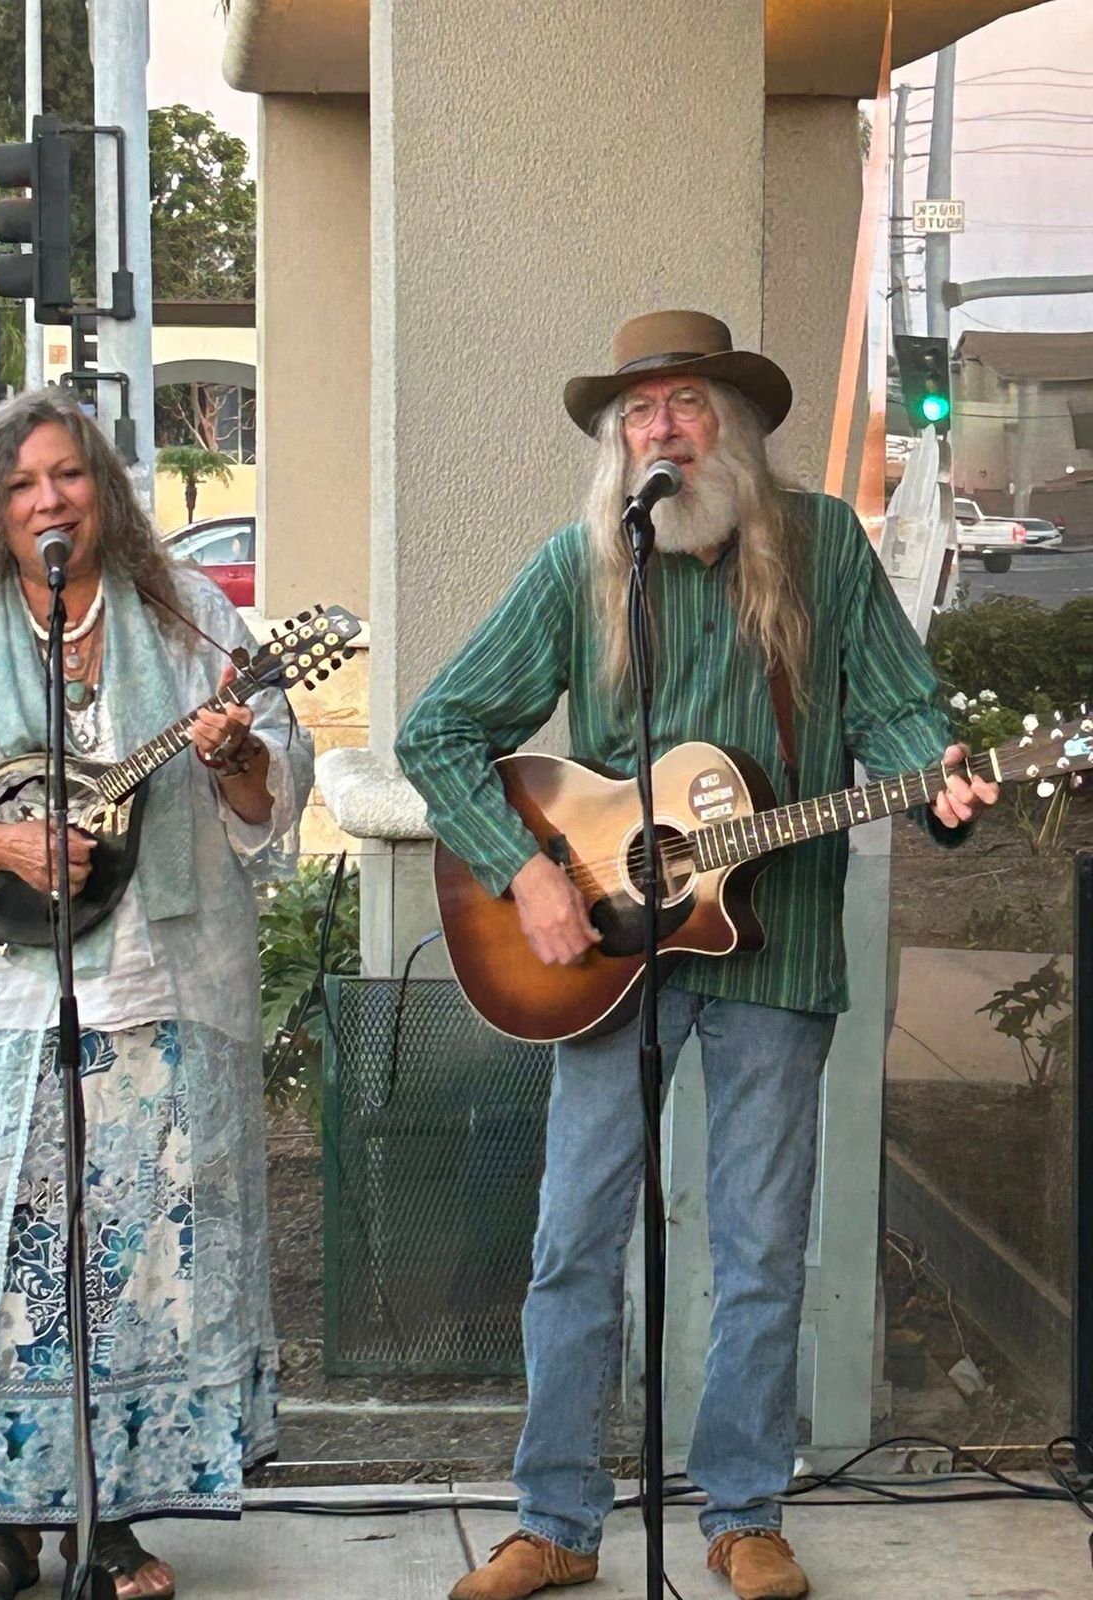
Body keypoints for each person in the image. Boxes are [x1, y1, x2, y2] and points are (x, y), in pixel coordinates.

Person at [395, 310, 999, 1600]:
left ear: (739, 423)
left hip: (777, 951)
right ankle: (557, 1520)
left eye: (686, 403)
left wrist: (936, 776)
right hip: (605, 959)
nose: (661, 430)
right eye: (640, 411)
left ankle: (743, 1512)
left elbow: (899, 710)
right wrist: (527, 872)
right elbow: (437, 729)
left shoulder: (823, 548)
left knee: (762, 1246)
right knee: (575, 1236)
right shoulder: (583, 565)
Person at [0, 391, 314, 1600]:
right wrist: (4, 845)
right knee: (4, 1271)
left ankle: (112, 1519)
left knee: (136, 1272)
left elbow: (274, 786)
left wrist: (238, 754)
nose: (49, 501)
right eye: (22, 483)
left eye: (68, 475)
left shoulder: (189, 618)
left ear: (103, 490)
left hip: (159, 995)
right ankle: (0, 1525)